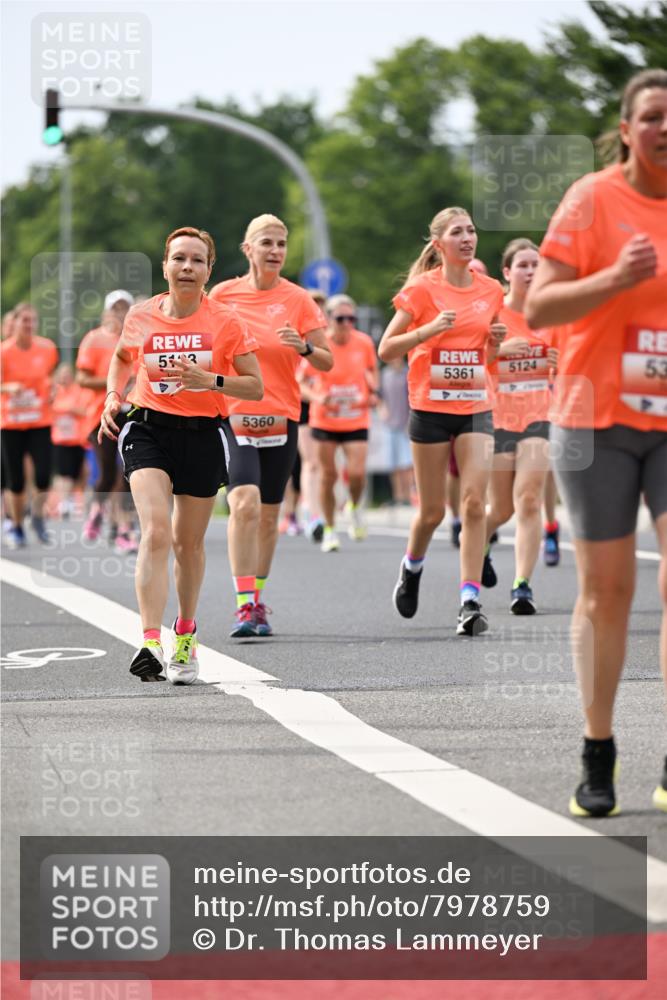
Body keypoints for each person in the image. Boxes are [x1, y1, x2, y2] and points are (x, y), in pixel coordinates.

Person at [525, 68, 667, 816]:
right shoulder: (591, 200)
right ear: (625, 129)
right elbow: (539, 306)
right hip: (595, 417)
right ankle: (598, 748)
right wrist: (613, 277)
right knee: (605, 592)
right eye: (651, 116)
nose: (662, 128)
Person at [99, 226, 262, 683]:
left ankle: (185, 634)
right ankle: (150, 641)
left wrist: (212, 382)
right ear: (166, 265)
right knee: (154, 532)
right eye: (179, 259)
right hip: (148, 428)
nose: (187, 267)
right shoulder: (141, 316)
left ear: (209, 271)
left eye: (197, 260)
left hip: (202, 433)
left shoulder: (225, 322)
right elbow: (121, 358)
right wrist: (114, 395)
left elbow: (255, 385)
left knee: (188, 545)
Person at [378, 207, 506, 636]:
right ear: (439, 244)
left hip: (475, 405)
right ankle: (412, 567)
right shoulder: (420, 291)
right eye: (457, 232)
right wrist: (429, 330)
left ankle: (469, 599)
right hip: (430, 408)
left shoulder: (491, 290)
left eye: (471, 231)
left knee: (473, 503)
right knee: (432, 511)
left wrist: (494, 344)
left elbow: (486, 360)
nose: (467, 238)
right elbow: (387, 349)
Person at [210, 214, 332, 637]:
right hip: (233, 415)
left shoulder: (298, 300)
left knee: (267, 516)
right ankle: (244, 605)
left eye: (281, 243)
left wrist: (306, 346)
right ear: (248, 249)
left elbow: (327, 359)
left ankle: (257, 599)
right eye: (267, 243)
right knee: (243, 503)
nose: (276, 251)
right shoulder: (223, 295)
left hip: (281, 417)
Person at [482, 239, 558, 614]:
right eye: (523, 265)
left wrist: (561, 361)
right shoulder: (492, 314)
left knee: (528, 500)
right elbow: (472, 362)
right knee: (501, 510)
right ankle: (477, 544)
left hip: (539, 417)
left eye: (536, 265)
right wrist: (499, 353)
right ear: (507, 273)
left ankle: (522, 585)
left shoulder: (552, 314)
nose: (531, 271)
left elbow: (572, 363)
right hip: (497, 419)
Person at [301, 293, 378, 551]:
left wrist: (374, 391)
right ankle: (331, 529)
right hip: (325, 419)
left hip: (356, 416)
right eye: (341, 318)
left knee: (356, 473)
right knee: (328, 475)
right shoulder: (318, 343)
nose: (347, 324)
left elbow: (371, 369)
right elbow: (300, 381)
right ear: (329, 319)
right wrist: (317, 397)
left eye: (351, 319)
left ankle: (354, 507)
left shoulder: (364, 342)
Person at [77, 293, 138, 550]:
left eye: (125, 307)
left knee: (127, 475)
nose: (120, 312)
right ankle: (97, 510)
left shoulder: (138, 338)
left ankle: (122, 528)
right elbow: (82, 379)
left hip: (131, 414)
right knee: (107, 473)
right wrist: (115, 383)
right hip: (99, 414)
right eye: (116, 308)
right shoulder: (95, 338)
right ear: (107, 311)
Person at [0, 303, 58, 547]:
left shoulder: (47, 349)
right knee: (16, 480)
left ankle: (38, 519)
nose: (29, 325)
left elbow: (50, 377)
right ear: (15, 323)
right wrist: (7, 387)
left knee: (44, 476)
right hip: (11, 422)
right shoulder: (4, 352)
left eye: (33, 320)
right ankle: (16, 526)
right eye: (24, 320)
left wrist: (52, 389)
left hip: (39, 420)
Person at [50, 363, 90, 518]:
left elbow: (85, 410)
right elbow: (48, 409)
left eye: (67, 374)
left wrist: (71, 410)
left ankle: (72, 501)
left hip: (78, 439)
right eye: (62, 374)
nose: (64, 377)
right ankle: (64, 503)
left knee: (78, 473)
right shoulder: (54, 392)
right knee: (63, 473)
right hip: (60, 439)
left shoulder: (79, 391)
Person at [379, 356, 413, 506]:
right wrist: (382, 409)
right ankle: (398, 496)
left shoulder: (408, 373)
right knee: (393, 464)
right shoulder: (385, 375)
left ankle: (408, 496)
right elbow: (379, 397)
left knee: (406, 463)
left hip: (405, 423)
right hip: (390, 424)